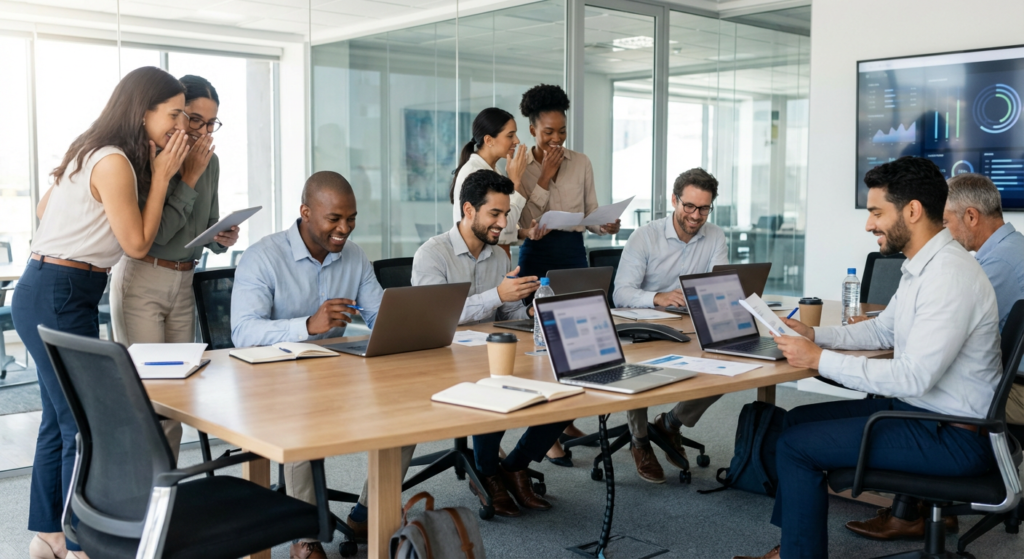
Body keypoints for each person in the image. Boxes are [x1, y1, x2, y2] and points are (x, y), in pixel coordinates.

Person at [735, 156, 1002, 559]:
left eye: (876, 212)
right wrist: (816, 334)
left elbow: (913, 377)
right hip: (928, 415)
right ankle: (793, 546)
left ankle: (798, 555)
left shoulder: (950, 276)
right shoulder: (922, 266)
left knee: (794, 446)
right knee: (794, 421)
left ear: (912, 211)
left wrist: (818, 358)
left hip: (952, 436)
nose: (868, 224)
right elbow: (882, 330)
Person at [15, 67, 190, 559]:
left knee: (58, 417)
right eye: (173, 114)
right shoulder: (115, 161)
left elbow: (45, 208)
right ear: (142, 110)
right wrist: (160, 179)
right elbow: (136, 245)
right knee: (81, 422)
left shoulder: (89, 149)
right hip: (62, 288)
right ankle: (77, 544)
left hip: (55, 285)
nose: (180, 125)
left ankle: (48, 534)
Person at [230, 171, 409, 559]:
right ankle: (304, 536)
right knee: (301, 416)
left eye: (352, 218)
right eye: (334, 219)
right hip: (273, 380)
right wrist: (308, 325)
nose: (345, 229)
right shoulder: (263, 256)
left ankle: (366, 513)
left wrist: (403, 326)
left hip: (335, 372)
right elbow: (243, 332)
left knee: (408, 412)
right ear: (306, 212)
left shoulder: (355, 256)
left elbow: (380, 316)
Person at [845, 172, 1024, 541]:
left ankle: (909, 511)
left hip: (1014, 393)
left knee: (918, 392)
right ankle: (921, 507)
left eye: (944, 221)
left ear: (971, 217)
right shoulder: (1013, 248)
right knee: (913, 388)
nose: (939, 231)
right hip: (1008, 380)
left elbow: (953, 340)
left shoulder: (987, 267)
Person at [413, 168, 568, 517]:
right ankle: (486, 472)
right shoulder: (432, 254)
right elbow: (435, 318)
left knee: (568, 382)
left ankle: (515, 464)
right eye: (494, 214)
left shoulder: (499, 255)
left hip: (495, 348)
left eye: (505, 214)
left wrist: (529, 312)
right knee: (493, 382)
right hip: (445, 355)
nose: (502, 223)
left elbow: (508, 313)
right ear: (469, 211)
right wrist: (496, 294)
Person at [109, 75, 239, 464]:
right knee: (148, 395)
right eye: (195, 120)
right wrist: (189, 177)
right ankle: (143, 495)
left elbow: (204, 224)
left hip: (184, 280)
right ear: (179, 115)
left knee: (179, 393)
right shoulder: (148, 158)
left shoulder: (210, 162)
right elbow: (156, 234)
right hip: (143, 278)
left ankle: (167, 491)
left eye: (211, 123)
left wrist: (221, 237)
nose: (202, 131)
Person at [516, 83, 621, 462]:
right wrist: (544, 174)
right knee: (545, 347)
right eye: (548, 132)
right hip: (537, 255)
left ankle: (563, 419)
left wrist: (604, 225)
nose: (557, 138)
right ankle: (546, 434)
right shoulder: (519, 165)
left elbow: (590, 212)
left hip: (574, 253)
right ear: (532, 130)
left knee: (581, 344)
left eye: (562, 131)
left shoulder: (583, 162)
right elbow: (520, 221)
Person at [613, 168, 729, 483]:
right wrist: (657, 297)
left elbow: (719, 286)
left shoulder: (715, 236)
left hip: (689, 324)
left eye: (704, 208)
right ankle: (639, 440)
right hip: (642, 326)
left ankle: (671, 423)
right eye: (689, 206)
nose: (695, 215)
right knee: (636, 370)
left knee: (729, 368)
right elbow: (620, 292)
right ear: (674, 200)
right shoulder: (645, 236)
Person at [449, 107, 534, 252]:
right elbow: (503, 227)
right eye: (510, 135)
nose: (517, 141)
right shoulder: (474, 172)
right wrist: (515, 181)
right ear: (488, 140)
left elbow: (499, 228)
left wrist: (521, 233)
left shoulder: (493, 169)